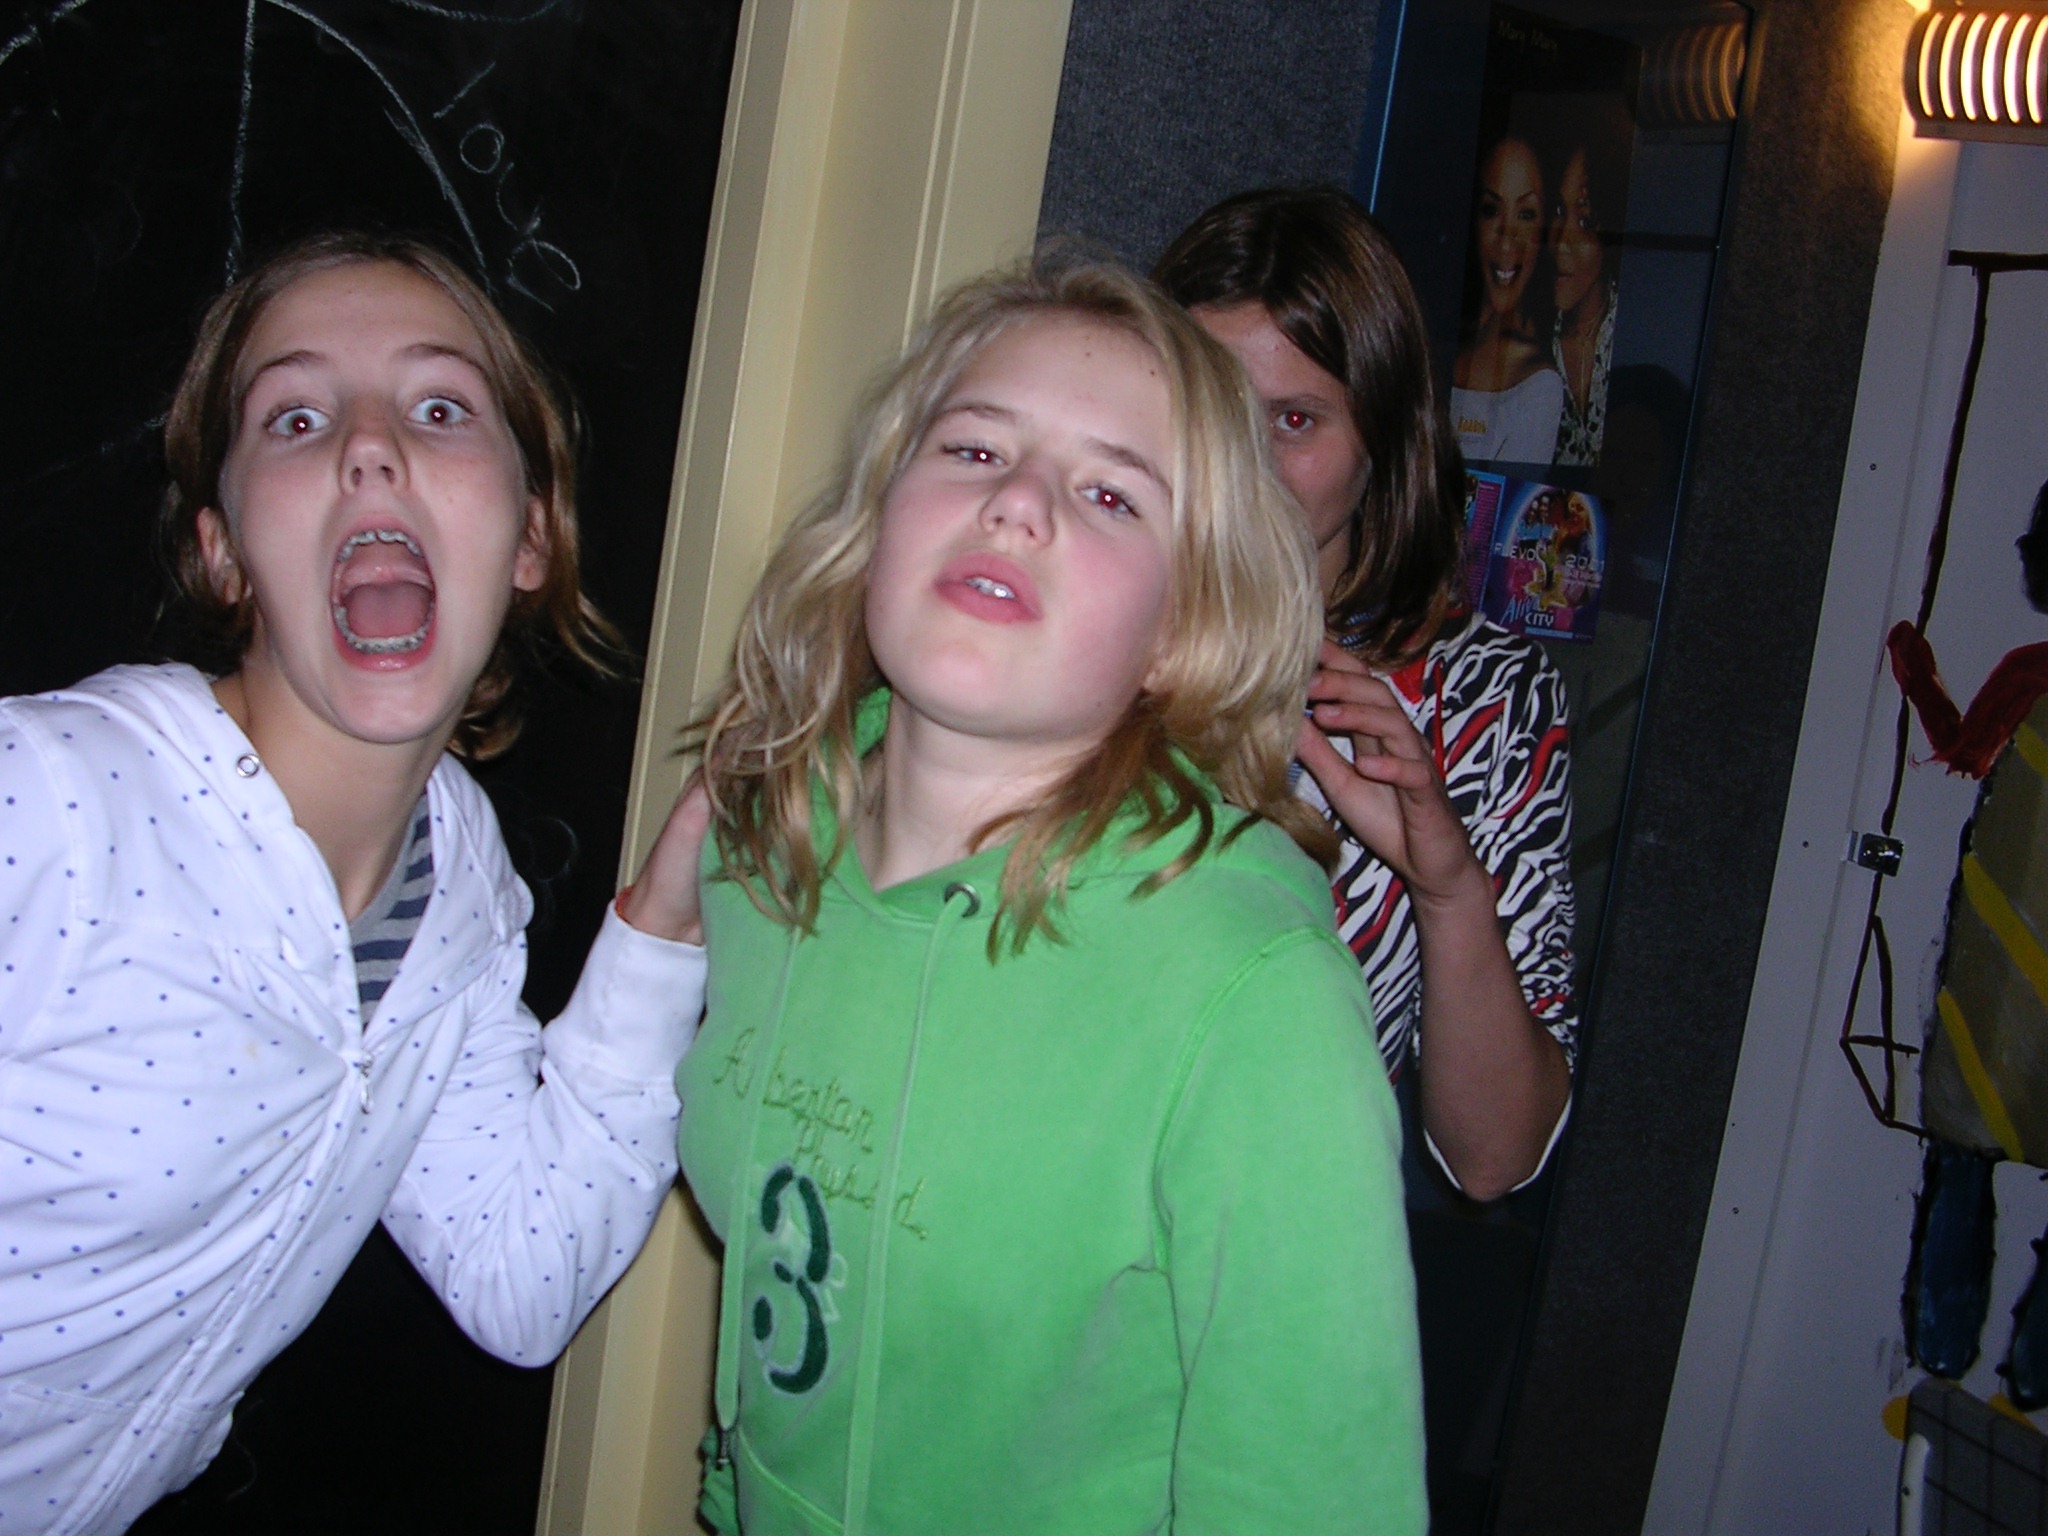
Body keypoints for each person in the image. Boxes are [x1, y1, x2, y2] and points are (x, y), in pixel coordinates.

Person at [675, 257, 1425, 1534]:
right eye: (973, 449)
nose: (1016, 503)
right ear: (882, 511)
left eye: (1109, 494)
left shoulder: (1249, 993)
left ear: (1179, 626)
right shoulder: (758, 845)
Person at [0, 232, 710, 1536]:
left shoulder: (460, 887)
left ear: (532, 537)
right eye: (297, 416)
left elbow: (521, 1274)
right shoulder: (51, 801)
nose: (371, 447)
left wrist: (664, 923)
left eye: (439, 409)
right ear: (223, 552)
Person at [1155, 187, 1576, 1201]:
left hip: (1255, 1256)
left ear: (1380, 441)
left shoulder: (1483, 700)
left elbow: (1493, 1159)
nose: (1242, 462)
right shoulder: (1068, 613)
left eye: (1293, 419)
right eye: (1209, 405)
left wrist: (1446, 889)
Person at [1448, 134, 1564, 464]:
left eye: (1526, 214)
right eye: (1491, 210)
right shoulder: (1435, 334)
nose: (1507, 239)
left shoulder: (1539, 386)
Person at [1545, 107, 1631, 466]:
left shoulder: (1633, 329)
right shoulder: (1535, 342)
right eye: (1559, 213)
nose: (1561, 242)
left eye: (1584, 221)